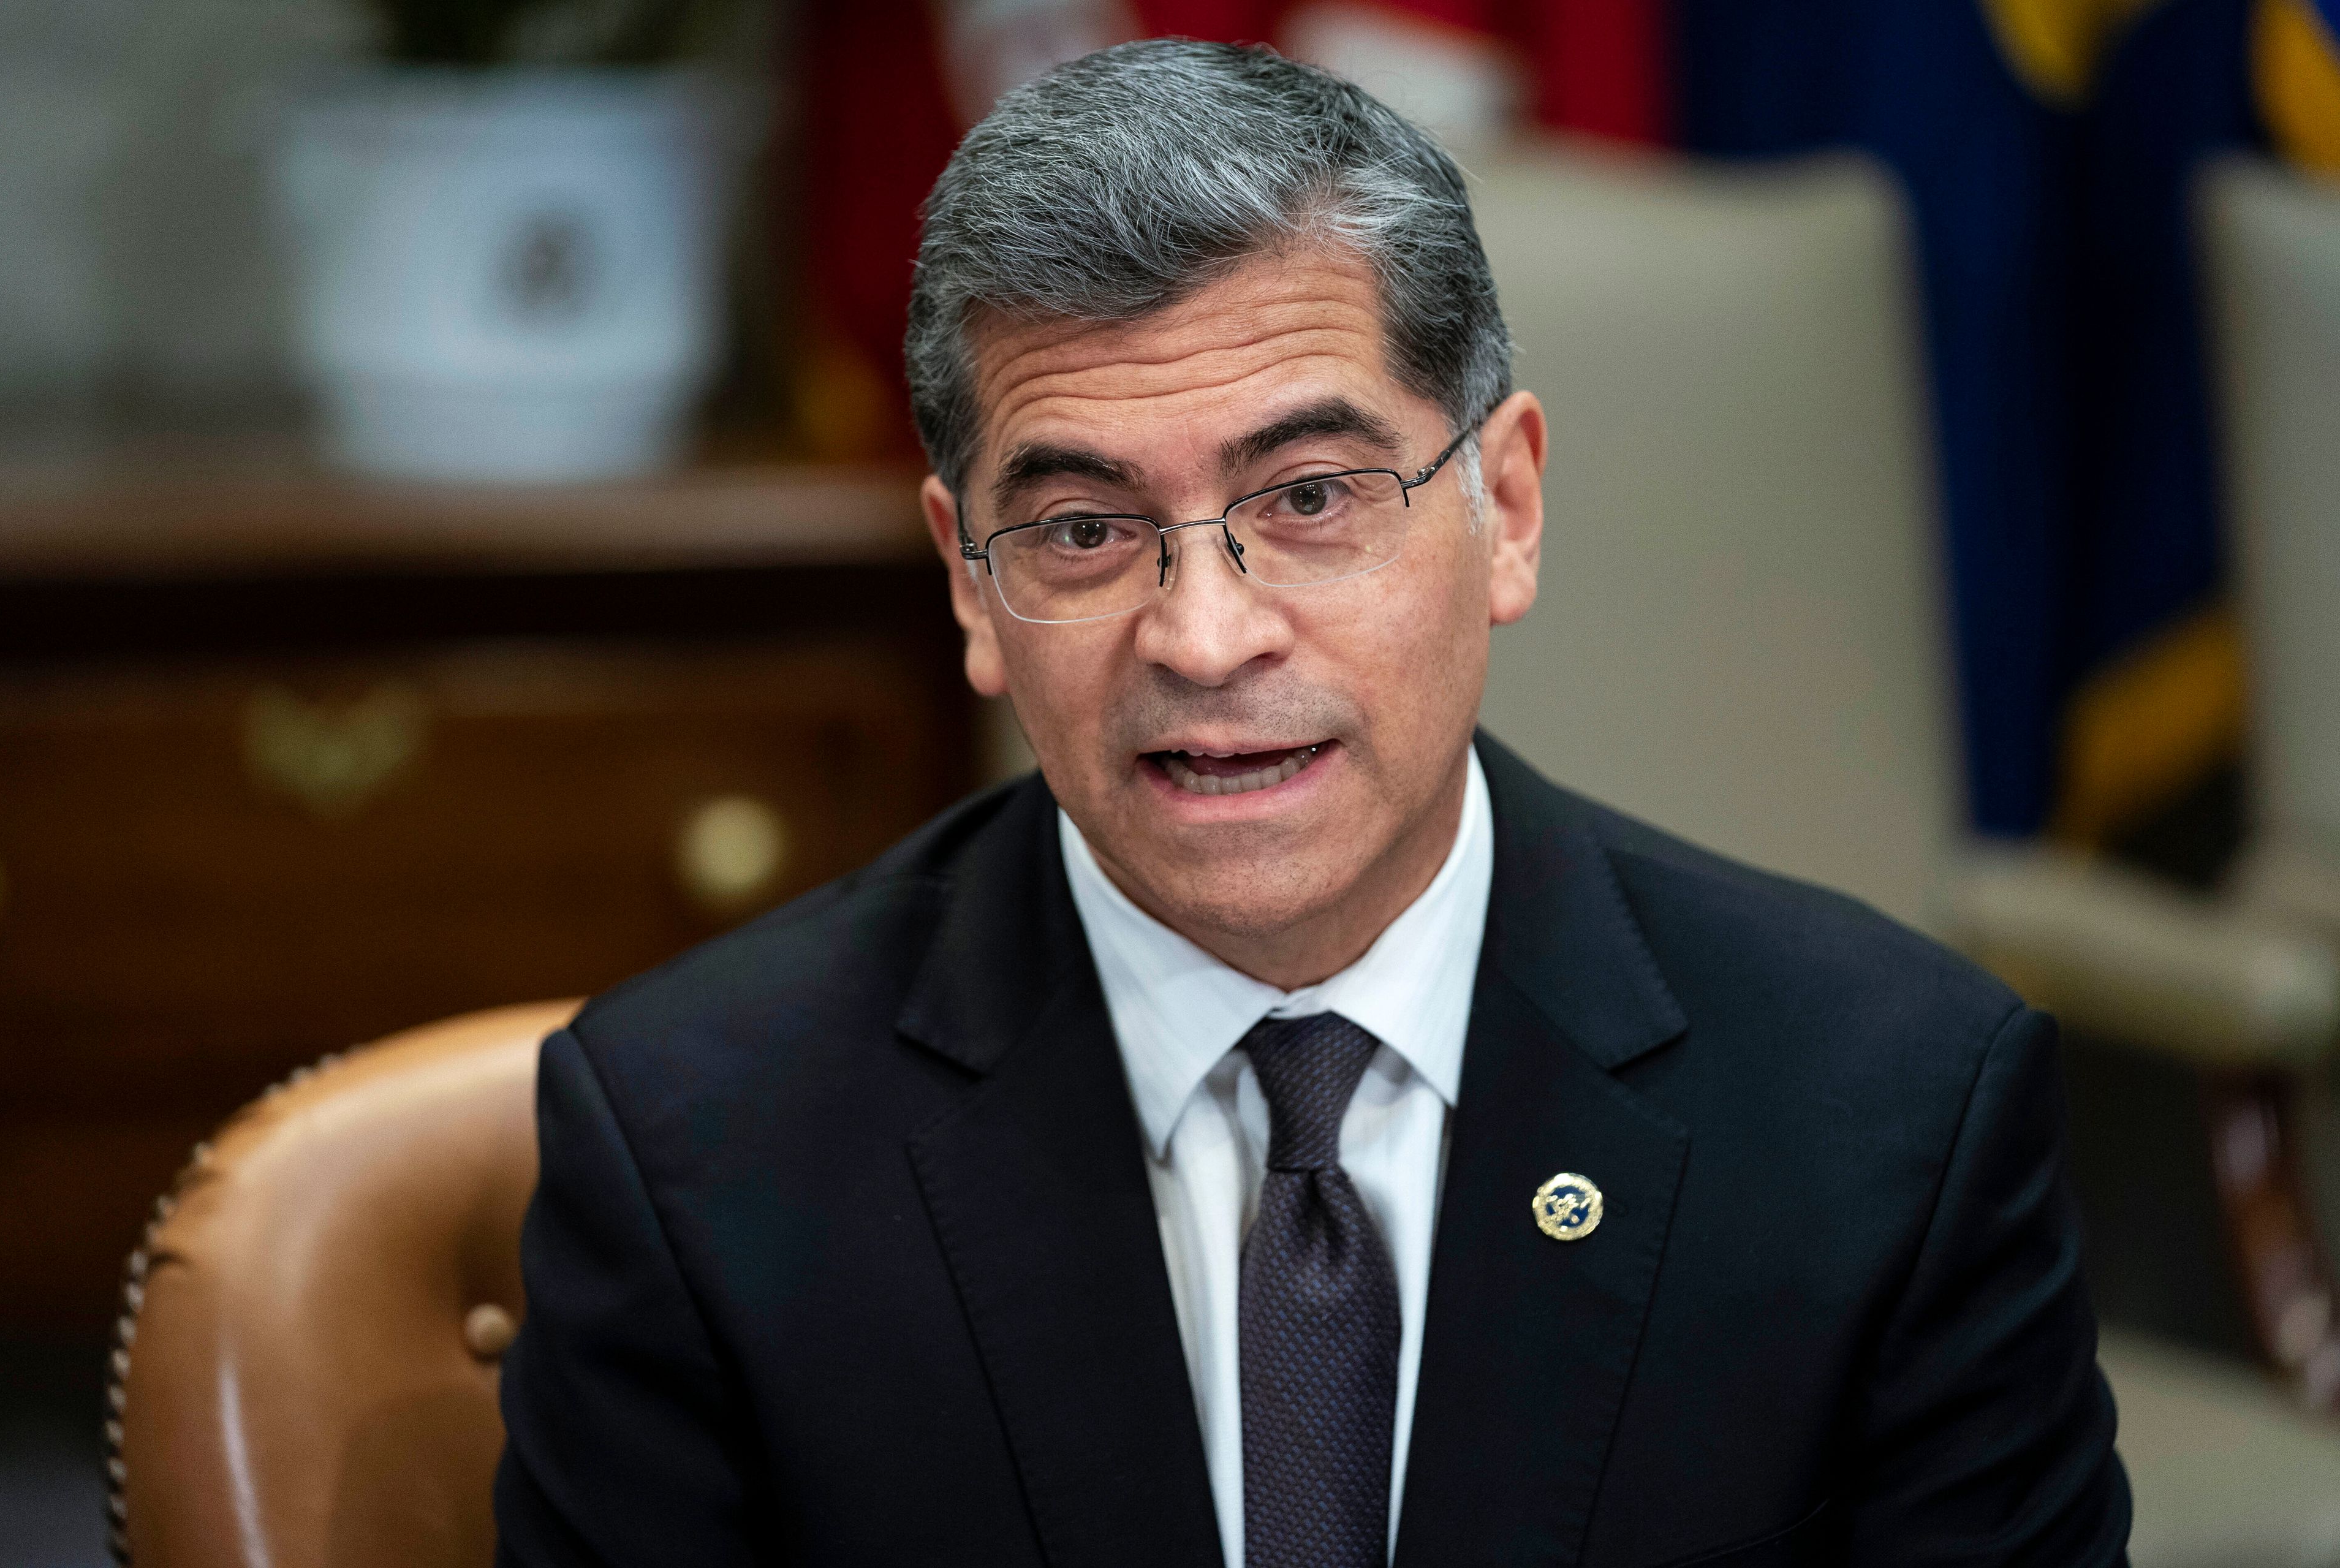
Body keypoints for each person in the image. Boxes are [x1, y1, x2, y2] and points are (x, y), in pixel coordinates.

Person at [494, 39, 2130, 1568]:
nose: (1205, 636)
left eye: (1311, 497)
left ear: (1505, 505)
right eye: (1080, 529)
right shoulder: (698, 1151)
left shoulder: (1892, 1116)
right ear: (968, 585)